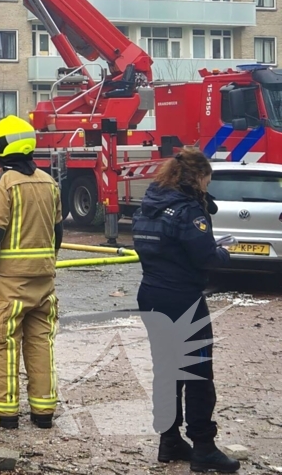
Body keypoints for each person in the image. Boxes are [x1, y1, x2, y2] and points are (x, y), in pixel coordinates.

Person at [132, 148, 239, 473]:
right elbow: (204, 257)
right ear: (199, 176)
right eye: (208, 178)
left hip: (151, 295)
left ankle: (169, 440)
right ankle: (204, 446)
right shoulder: (187, 210)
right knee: (196, 372)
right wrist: (223, 253)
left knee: (166, 371)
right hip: (182, 299)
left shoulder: (150, 205)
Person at [0, 115, 62, 430]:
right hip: (44, 281)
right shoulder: (49, 182)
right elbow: (57, 232)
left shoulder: (1, 184)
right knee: (40, 343)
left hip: (9, 284)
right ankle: (43, 411)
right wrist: (46, 263)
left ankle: (2, 411)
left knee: (2, 343)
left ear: (0, 148)